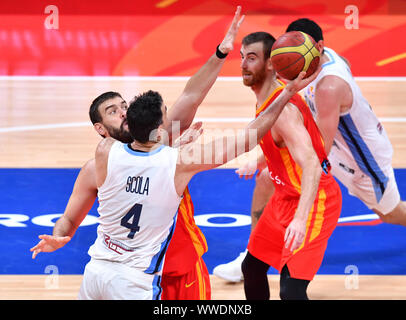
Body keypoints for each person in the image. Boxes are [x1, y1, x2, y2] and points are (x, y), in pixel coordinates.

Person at [30, 6, 245, 300]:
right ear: (100, 128)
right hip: (135, 278)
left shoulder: (160, 136)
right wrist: (57, 236)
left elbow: (192, 95)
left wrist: (221, 52)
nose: (123, 112)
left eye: (123, 105)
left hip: (182, 271)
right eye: (113, 111)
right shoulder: (99, 166)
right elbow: (68, 219)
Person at [214, 18, 406, 284]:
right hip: (332, 141)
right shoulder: (313, 59)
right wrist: (265, 161)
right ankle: (251, 254)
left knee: (390, 213)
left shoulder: (328, 86)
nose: (290, 50)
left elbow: (319, 153)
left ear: (318, 47)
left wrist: (270, 160)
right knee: (266, 179)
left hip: (361, 160)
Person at [231, 31, 341, 300]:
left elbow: (312, 165)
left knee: (291, 291)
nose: (244, 64)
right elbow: (281, 143)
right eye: (242, 57)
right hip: (284, 197)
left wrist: (300, 219)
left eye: (252, 58)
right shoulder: (269, 99)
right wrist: (259, 159)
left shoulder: (284, 111)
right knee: (252, 267)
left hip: (313, 200)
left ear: (272, 63)